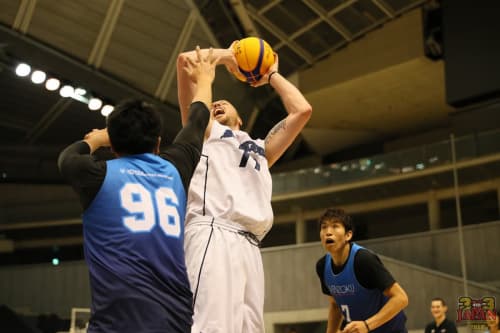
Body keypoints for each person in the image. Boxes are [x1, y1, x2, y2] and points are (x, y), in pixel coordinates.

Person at [58, 47, 217, 333]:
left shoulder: (97, 175)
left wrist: (97, 140)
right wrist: (205, 79)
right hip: (175, 317)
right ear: (157, 143)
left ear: (114, 145)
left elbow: (67, 157)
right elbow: (197, 119)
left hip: (118, 319)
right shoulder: (176, 168)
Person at [176, 44, 312, 333]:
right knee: (209, 326)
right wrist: (230, 56)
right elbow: (185, 60)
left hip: (250, 243)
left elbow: (302, 110)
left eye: (225, 103)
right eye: (213, 105)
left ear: (240, 120)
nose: (217, 104)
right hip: (213, 232)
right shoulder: (205, 131)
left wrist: (272, 74)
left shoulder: (261, 149)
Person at [315, 208, 409, 333]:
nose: (328, 232)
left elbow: (401, 298)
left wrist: (367, 325)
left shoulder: (363, 260)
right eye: (324, 227)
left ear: (348, 235)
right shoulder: (322, 266)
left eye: (335, 226)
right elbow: (335, 305)